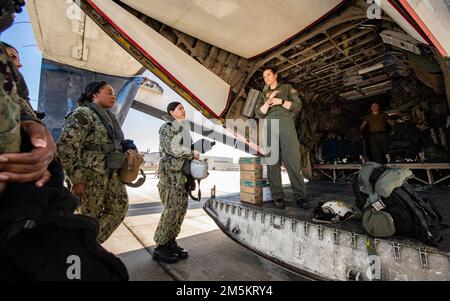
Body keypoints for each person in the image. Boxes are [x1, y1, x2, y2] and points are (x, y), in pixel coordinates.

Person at [57, 81, 129, 243]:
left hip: (110, 174)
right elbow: (65, 147)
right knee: (88, 217)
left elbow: (114, 142)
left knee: (119, 208)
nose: (114, 96)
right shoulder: (83, 114)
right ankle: (79, 251)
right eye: (109, 92)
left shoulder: (109, 118)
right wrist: (76, 180)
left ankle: (88, 245)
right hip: (90, 176)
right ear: (94, 94)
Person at [153, 102, 200, 263]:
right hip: (170, 174)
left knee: (180, 209)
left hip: (181, 175)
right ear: (171, 112)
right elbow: (171, 148)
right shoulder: (167, 127)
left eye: (183, 108)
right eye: (180, 108)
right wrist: (191, 152)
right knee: (171, 209)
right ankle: (160, 246)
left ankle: (171, 241)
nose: (183, 110)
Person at [254, 67, 308, 210]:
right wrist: (268, 102)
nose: (266, 78)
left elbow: (297, 106)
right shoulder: (262, 94)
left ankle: (300, 196)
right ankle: (277, 196)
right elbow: (259, 114)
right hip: (270, 125)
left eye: (269, 74)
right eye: (264, 76)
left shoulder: (286, 88)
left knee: (293, 160)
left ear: (275, 75)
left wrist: (280, 101)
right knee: (272, 161)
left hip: (285, 124)